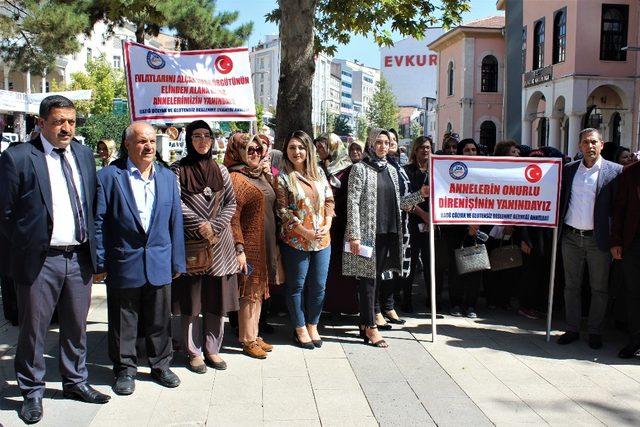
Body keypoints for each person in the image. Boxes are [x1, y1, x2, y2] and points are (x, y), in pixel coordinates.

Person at [0, 95, 110, 424]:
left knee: (75, 326)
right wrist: (24, 249)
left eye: (72, 122)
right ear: (42, 123)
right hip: (40, 261)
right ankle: (32, 392)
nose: (66, 128)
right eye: (59, 121)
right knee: (34, 330)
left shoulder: (83, 154)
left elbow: (93, 207)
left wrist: (97, 254)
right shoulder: (19, 157)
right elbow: (4, 214)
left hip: (79, 259)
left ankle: (75, 381)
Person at [95, 122, 186, 395]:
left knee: (160, 318)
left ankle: (161, 365)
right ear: (127, 145)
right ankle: (125, 370)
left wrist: (177, 261)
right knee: (124, 320)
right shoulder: (109, 177)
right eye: (141, 141)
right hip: (124, 261)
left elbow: (175, 222)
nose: (148, 147)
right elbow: (99, 223)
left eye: (151, 142)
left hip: (159, 260)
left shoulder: (168, 178)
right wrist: (100, 262)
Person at [344, 129, 426, 348]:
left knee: (376, 279)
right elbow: (352, 202)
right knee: (368, 281)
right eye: (378, 142)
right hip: (367, 233)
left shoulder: (391, 169)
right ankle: (371, 326)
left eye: (386, 142)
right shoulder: (359, 169)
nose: (382, 146)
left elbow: (402, 202)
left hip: (388, 232)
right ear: (370, 144)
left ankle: (364, 323)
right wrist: (354, 234)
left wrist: (421, 194)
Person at [171, 120, 239, 373]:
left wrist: (216, 225)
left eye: (207, 136)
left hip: (221, 245)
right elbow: (175, 201)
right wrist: (201, 223)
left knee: (216, 300)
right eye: (197, 136)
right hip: (193, 245)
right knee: (192, 301)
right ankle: (193, 351)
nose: (202, 141)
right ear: (189, 140)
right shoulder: (177, 169)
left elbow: (231, 203)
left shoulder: (221, 170)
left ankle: (212, 349)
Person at [557, 128, 622, 349]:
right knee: (571, 287)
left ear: (602, 144)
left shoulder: (615, 171)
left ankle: (595, 331)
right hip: (571, 237)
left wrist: (616, 240)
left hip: (599, 240)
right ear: (579, 146)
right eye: (585, 142)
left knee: (599, 288)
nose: (590, 146)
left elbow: (619, 210)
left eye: (594, 142)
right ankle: (572, 328)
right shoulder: (569, 170)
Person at [277, 131, 334, 349]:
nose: (296, 152)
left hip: (322, 240)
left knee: (319, 286)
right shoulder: (282, 176)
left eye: (301, 147)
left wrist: (327, 224)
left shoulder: (319, 172)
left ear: (308, 150)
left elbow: (329, 200)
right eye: (292, 148)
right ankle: (299, 328)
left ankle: (312, 324)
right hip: (296, 241)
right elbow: (282, 210)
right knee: (296, 286)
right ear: (286, 151)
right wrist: (305, 231)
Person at [224, 133, 277, 358]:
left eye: (258, 149)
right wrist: (239, 248)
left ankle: (254, 335)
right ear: (238, 151)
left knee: (258, 291)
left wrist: (268, 176)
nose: (255, 153)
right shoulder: (237, 177)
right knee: (248, 292)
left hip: (265, 242)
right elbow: (233, 217)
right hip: (249, 245)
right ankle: (247, 339)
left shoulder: (258, 175)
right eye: (249, 150)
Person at [317, 134, 359, 315]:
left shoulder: (348, 169)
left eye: (321, 146)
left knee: (341, 266)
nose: (318, 150)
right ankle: (326, 305)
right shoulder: (318, 167)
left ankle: (344, 305)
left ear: (333, 146)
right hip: (323, 224)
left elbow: (352, 196)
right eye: (317, 147)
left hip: (341, 222)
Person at [447, 139, 484, 318]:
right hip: (455, 228)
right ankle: (455, 303)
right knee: (456, 269)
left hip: (477, 228)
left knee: (475, 269)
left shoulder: (484, 171)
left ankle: (470, 305)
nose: (471, 152)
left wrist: (476, 224)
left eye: (474, 149)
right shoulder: (452, 171)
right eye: (467, 150)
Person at [402, 136, 436, 313]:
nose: (425, 150)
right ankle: (406, 301)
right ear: (415, 150)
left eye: (428, 147)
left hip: (433, 225)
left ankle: (432, 302)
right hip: (412, 224)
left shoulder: (437, 170)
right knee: (411, 263)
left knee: (432, 264)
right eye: (422, 147)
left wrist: (434, 218)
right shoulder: (406, 171)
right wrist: (423, 214)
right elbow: (404, 201)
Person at [611, 159, 640, 358]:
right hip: (634, 243)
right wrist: (616, 241)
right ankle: (635, 340)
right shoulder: (630, 172)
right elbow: (619, 210)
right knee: (633, 293)